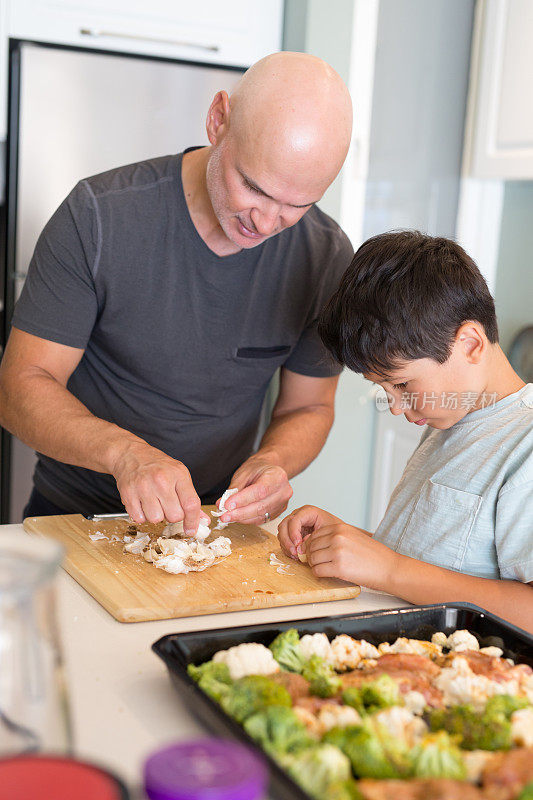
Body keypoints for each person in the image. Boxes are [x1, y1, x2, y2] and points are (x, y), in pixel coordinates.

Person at [0, 52, 354, 533]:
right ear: (218, 121)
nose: (266, 223)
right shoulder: (99, 217)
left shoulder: (326, 257)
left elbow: (309, 406)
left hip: (211, 528)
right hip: (74, 515)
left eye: (297, 204)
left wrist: (274, 461)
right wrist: (127, 455)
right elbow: (19, 387)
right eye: (253, 187)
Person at [278, 231, 533, 632]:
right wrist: (347, 541)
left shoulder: (525, 445)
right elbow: (433, 563)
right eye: (383, 389)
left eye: (402, 385)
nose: (395, 406)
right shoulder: (450, 418)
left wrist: (389, 568)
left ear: (469, 344)